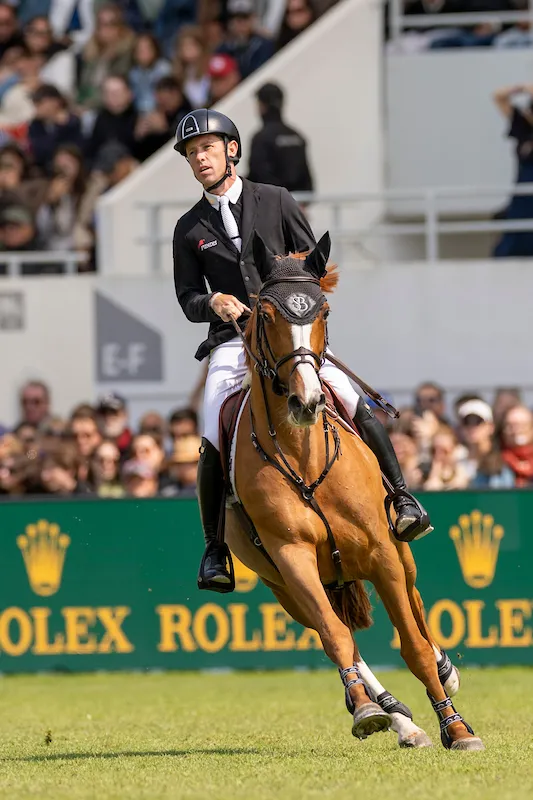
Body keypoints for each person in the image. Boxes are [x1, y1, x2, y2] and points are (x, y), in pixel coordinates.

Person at [172, 109, 432, 592]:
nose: (199, 158)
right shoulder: (189, 228)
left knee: (350, 397)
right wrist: (213, 300)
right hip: (233, 342)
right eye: (191, 153)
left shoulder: (277, 200)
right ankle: (215, 548)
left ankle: (401, 499)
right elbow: (187, 297)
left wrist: (286, 301)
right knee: (211, 427)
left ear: (231, 150)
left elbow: (316, 267)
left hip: (290, 337)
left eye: (207, 148)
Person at [248, 82, 313, 193]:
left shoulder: (261, 138)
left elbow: (259, 178)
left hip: (271, 206)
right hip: (296, 206)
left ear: (262, 106)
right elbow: (308, 184)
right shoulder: (297, 136)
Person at [492, 84, 533, 257]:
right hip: (523, 193)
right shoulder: (523, 129)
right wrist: (521, 88)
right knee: (513, 241)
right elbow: (498, 96)